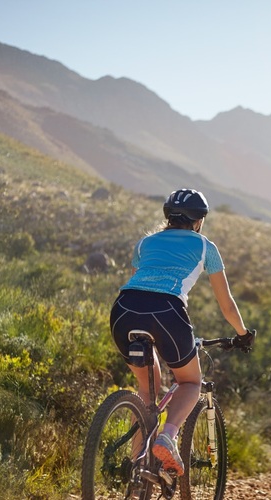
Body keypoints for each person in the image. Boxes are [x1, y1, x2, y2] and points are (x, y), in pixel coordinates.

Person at [110, 188, 255, 476]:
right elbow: (226, 305)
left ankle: (137, 465)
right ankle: (168, 435)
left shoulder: (145, 243)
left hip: (124, 309)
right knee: (190, 382)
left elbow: (144, 277)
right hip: (167, 311)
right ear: (199, 221)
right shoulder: (205, 247)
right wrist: (243, 334)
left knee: (146, 388)